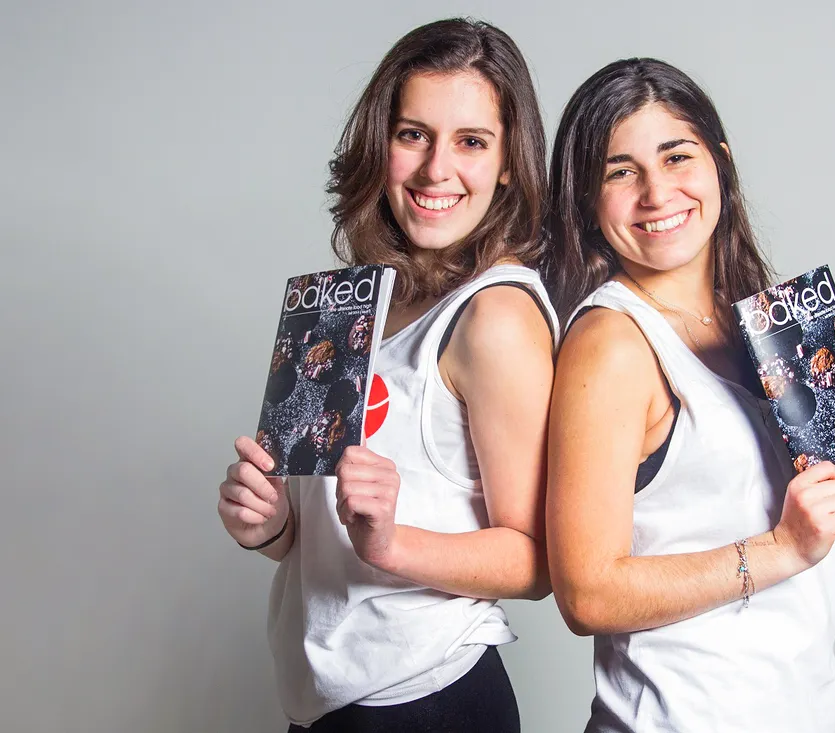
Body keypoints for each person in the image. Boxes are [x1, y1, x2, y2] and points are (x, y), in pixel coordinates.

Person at [544, 58, 835, 732]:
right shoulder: (613, 343)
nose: (658, 192)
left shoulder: (765, 322)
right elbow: (586, 591)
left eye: (676, 156)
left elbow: (771, 521)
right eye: (619, 171)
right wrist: (783, 548)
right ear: (587, 202)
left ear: (720, 162)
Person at [217, 18, 557, 732]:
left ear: (506, 163)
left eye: (471, 141)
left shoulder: (496, 314)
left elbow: (536, 559)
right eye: (413, 134)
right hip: (328, 702)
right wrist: (272, 522)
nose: (437, 169)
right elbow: (322, 540)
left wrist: (392, 542)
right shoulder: (353, 300)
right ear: (381, 144)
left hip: (427, 699)